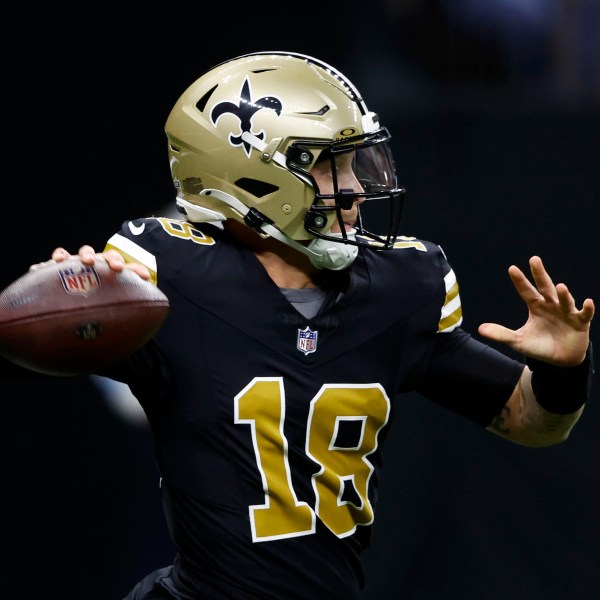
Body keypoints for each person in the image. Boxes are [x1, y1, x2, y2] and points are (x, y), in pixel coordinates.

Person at [4, 51, 595, 599]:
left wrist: (565, 369)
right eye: (335, 168)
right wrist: (66, 297)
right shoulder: (168, 276)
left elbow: (533, 424)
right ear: (256, 178)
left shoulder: (399, 287)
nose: (360, 190)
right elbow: (36, 338)